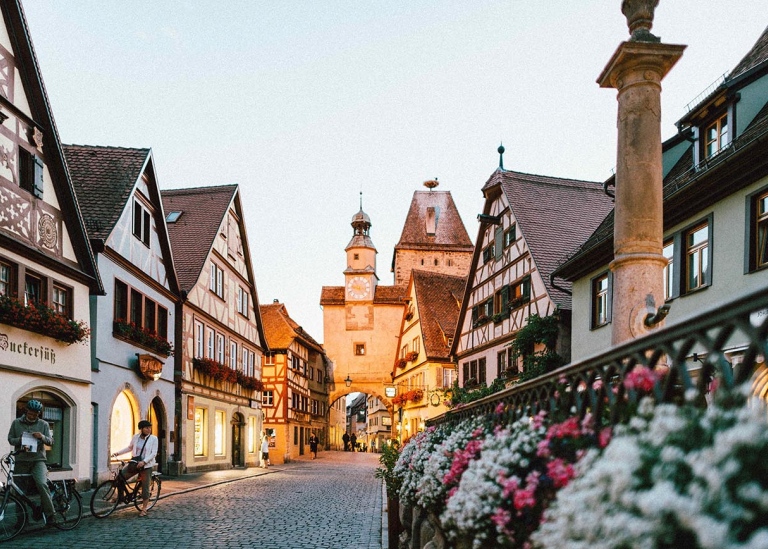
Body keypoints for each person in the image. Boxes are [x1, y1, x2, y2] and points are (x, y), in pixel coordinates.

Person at [7, 399, 57, 525]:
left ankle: (51, 516)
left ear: (39, 413)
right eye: (30, 413)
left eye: (35, 414)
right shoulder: (16, 423)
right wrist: (21, 440)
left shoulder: (43, 424)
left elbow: (51, 442)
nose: (32, 416)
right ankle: (22, 520)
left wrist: (42, 437)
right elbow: (10, 439)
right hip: (21, 460)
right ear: (26, 411)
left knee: (41, 484)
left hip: (37, 460)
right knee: (19, 491)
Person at [112, 419, 158, 517]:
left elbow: (153, 453)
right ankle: (121, 497)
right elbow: (130, 447)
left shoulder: (153, 439)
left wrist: (144, 462)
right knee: (120, 478)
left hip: (146, 466)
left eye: (150, 428)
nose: (149, 429)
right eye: (146, 428)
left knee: (145, 487)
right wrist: (118, 453)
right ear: (141, 428)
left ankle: (144, 509)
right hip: (135, 463)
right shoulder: (136, 437)